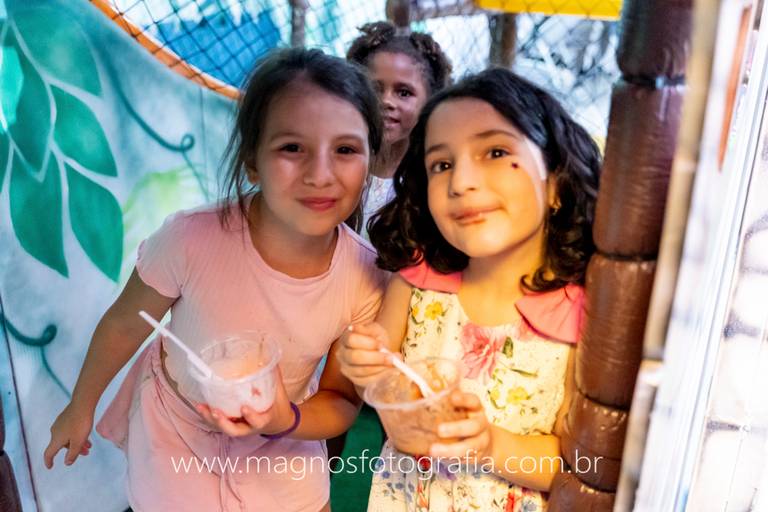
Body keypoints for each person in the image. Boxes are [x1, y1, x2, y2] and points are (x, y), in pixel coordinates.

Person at [44, 48, 388, 512]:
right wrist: (80, 406)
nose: (320, 174)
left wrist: (283, 420)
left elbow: (340, 400)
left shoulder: (365, 277)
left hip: (285, 434)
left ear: (370, 162)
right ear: (251, 161)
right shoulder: (190, 239)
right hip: (178, 434)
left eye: (345, 150)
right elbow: (125, 323)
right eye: (292, 148)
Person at [338, 67, 601, 511]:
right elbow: (379, 381)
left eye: (495, 152)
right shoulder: (417, 278)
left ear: (556, 182)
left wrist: (492, 446)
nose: (461, 182)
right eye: (442, 165)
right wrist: (367, 369)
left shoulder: (579, 317)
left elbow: (580, 466)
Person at [347, 21, 452, 238]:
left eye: (404, 93)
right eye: (375, 89)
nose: (386, 101)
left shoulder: (430, 181)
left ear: (429, 102)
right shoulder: (339, 168)